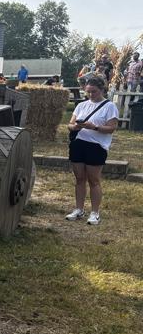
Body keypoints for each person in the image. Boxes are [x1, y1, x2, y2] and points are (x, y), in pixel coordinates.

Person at [65, 77, 119, 225]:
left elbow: (111, 128)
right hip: (78, 144)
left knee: (94, 180)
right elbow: (69, 124)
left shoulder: (109, 107)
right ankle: (79, 209)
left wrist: (94, 127)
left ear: (102, 90)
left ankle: (95, 212)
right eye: (88, 91)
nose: (90, 95)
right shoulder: (81, 105)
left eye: (93, 92)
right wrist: (75, 127)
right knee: (79, 178)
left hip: (96, 146)